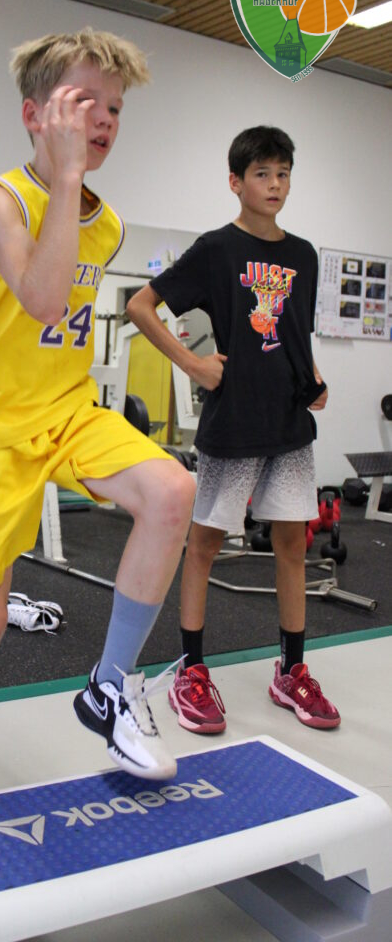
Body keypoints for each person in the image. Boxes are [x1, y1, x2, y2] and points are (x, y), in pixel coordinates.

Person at [0, 28, 196, 807]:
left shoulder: (107, 222)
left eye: (114, 109)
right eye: (81, 102)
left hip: (66, 411)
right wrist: (64, 178)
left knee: (171, 490)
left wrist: (71, 186)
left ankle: (109, 686)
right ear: (35, 115)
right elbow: (39, 298)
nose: (101, 120)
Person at [126, 125, 340, 735]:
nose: (275, 185)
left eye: (283, 174)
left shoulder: (304, 255)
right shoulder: (217, 249)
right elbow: (140, 306)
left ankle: (291, 671)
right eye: (262, 174)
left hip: (289, 424)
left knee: (293, 547)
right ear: (235, 182)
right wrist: (193, 364)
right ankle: (192, 671)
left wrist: (315, 379)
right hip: (234, 421)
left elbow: (295, 333)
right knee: (204, 546)